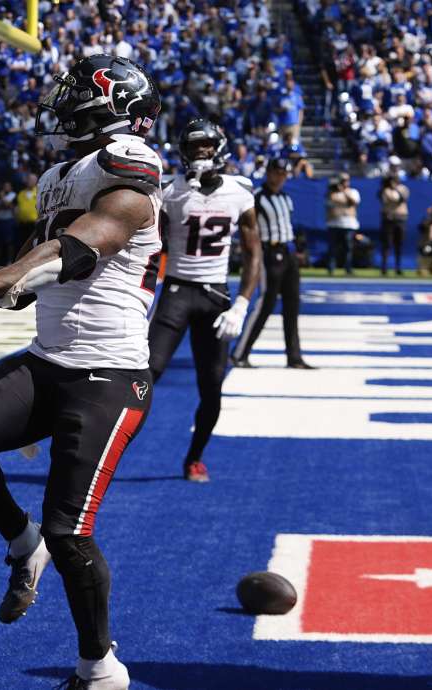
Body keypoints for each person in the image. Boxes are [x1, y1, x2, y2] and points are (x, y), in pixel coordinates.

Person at [0, 55, 163, 690]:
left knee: (72, 533)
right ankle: (21, 541)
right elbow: (25, 276)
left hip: (109, 375)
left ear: (116, 107)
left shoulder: (130, 169)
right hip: (49, 362)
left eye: (76, 93)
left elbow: (73, 251)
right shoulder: (60, 175)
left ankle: (100, 668)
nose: (61, 102)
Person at [147, 120, 261, 483]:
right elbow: (149, 250)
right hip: (178, 291)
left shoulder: (240, 191)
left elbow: (253, 253)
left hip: (215, 296)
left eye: (207, 146)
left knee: (212, 386)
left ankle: (194, 458)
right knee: (145, 375)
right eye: (194, 148)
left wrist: (242, 303)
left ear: (220, 148)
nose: (201, 153)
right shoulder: (170, 191)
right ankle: (104, 449)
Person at [232, 158, 314, 370]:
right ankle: (240, 353)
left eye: (284, 174)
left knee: (292, 305)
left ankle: (294, 357)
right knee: (265, 305)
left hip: (288, 252)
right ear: (268, 173)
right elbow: (248, 228)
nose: (280, 178)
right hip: (269, 252)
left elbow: (288, 225)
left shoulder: (286, 197)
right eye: (277, 173)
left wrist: (298, 249)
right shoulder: (257, 197)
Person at [325, 172, 360, 275]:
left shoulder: (352, 191)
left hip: (348, 224)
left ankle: (348, 269)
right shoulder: (332, 192)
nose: (344, 183)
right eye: (342, 181)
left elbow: (353, 202)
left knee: (348, 248)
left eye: (346, 180)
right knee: (332, 248)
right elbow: (331, 201)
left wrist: (344, 192)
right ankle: (331, 269)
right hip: (334, 223)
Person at [378, 172, 409, 276]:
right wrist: (385, 187)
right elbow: (381, 197)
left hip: (400, 218)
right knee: (386, 244)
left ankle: (398, 267)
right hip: (388, 219)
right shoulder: (385, 190)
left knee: (399, 244)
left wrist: (395, 188)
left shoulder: (402, 188)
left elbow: (401, 198)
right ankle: (384, 267)